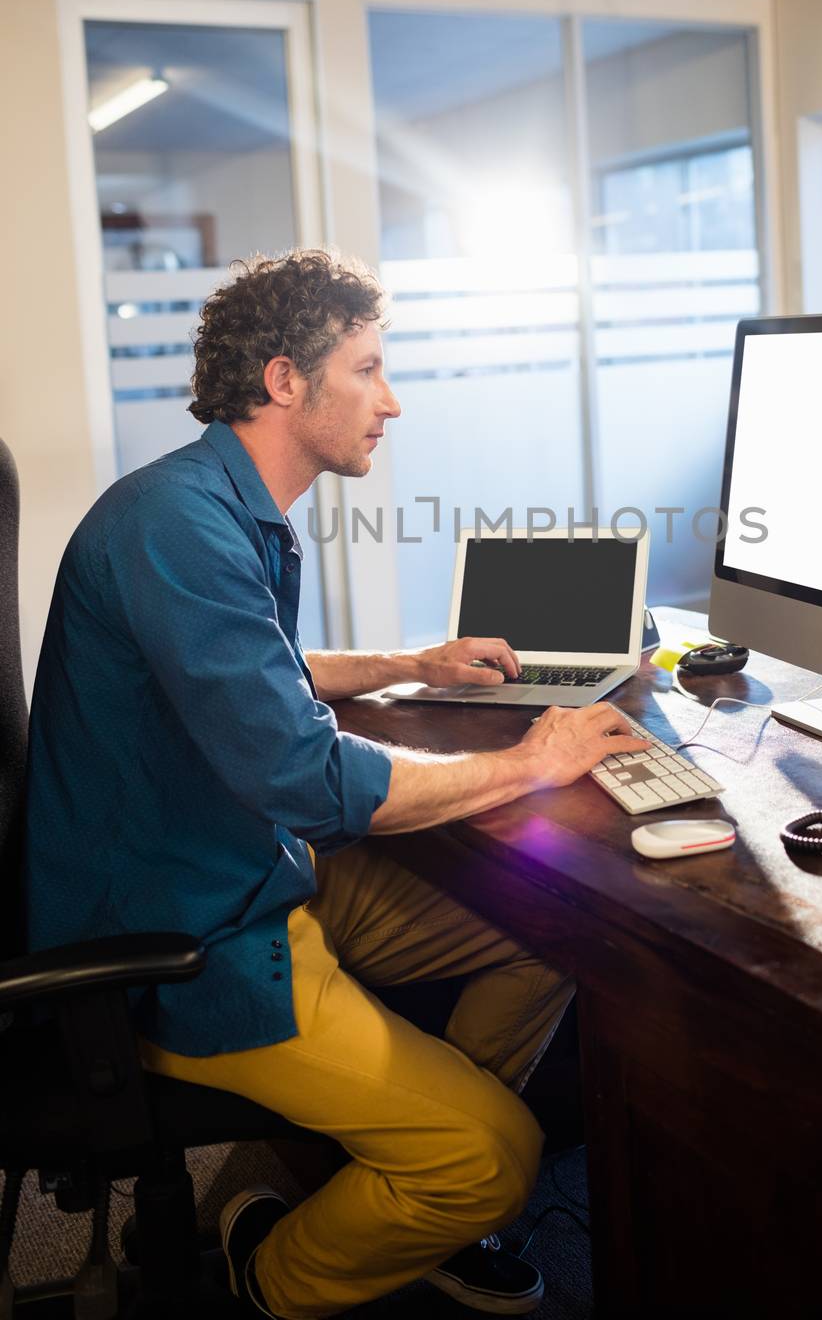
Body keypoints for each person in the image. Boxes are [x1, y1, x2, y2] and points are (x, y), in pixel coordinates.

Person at [25, 248, 649, 1319]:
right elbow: (306, 775)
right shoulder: (177, 526)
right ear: (283, 381)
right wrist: (529, 762)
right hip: (189, 929)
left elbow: (259, 674)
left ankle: (406, 1187)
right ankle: (267, 1273)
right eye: (366, 368)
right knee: (499, 1157)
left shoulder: (210, 503)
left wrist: (412, 661)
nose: (390, 400)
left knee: (548, 928)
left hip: (239, 862)